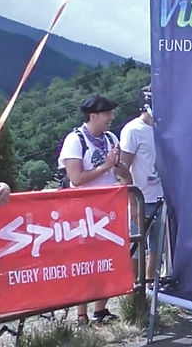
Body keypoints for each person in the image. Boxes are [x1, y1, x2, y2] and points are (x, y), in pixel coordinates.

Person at [58, 95, 128, 325]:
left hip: (108, 211)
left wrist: (119, 168)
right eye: (107, 113)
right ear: (94, 116)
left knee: (107, 259)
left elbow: (117, 171)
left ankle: (101, 310)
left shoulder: (110, 138)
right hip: (82, 214)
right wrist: (105, 166)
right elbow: (76, 178)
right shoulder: (75, 140)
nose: (111, 117)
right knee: (85, 262)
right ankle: (81, 314)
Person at [119, 85, 164, 285]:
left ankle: (150, 289)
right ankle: (134, 293)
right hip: (142, 199)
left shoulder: (164, 129)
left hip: (162, 197)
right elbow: (122, 168)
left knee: (156, 248)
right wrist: (133, 203)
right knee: (136, 249)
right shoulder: (132, 130)